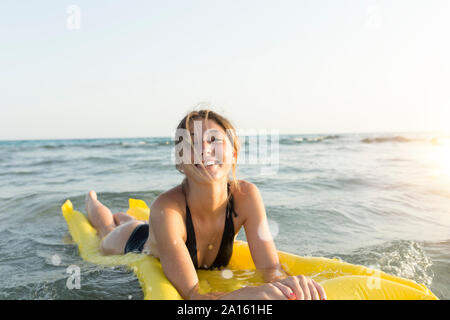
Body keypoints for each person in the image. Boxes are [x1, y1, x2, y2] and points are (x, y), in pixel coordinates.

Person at [85, 109, 327, 300]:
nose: (204, 150)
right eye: (191, 143)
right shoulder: (165, 208)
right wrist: (253, 294)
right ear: (180, 162)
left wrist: (288, 284)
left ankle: (127, 217)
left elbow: (270, 268)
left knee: (132, 220)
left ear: (233, 152)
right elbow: (193, 295)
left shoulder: (247, 196)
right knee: (107, 228)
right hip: (134, 241)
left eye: (214, 139)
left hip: (160, 231)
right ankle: (92, 201)